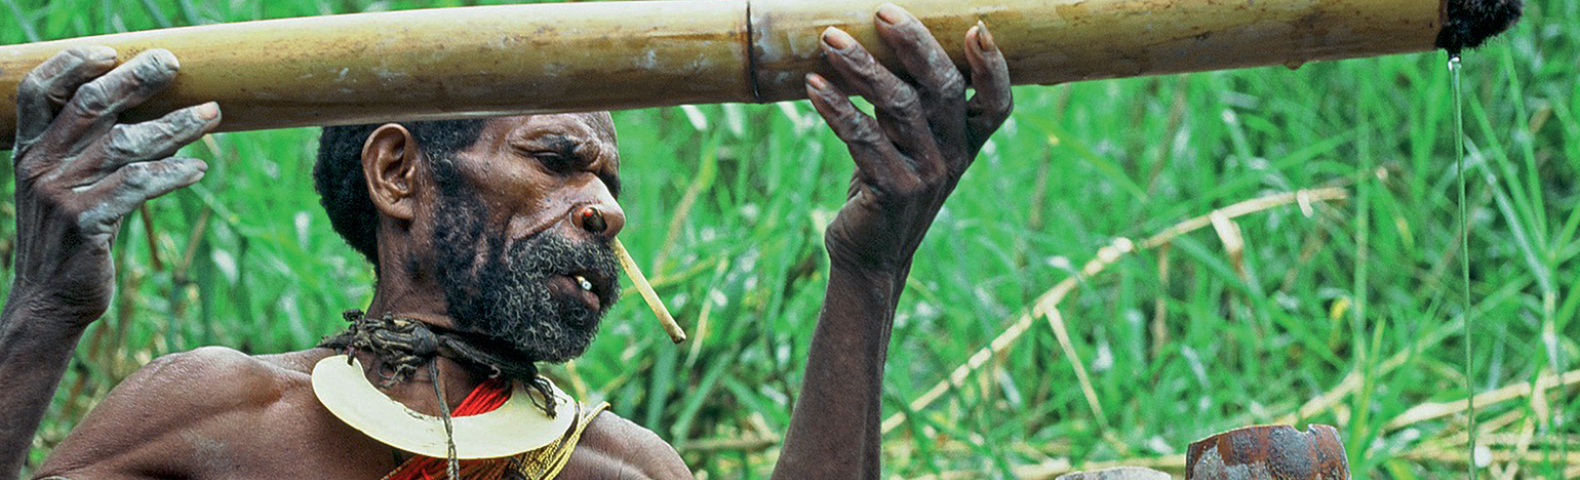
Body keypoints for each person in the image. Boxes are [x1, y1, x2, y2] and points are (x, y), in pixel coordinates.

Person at [0, 4, 1011, 479]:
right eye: (556, 158)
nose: (605, 209)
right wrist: (42, 314)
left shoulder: (625, 470)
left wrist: (869, 270)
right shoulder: (215, 417)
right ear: (397, 175)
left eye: (609, 181)